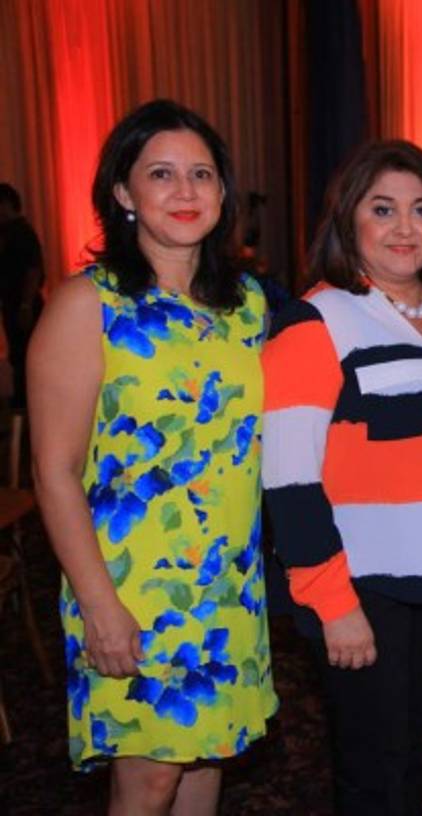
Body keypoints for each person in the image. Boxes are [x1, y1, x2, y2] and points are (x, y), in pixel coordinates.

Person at [28, 99, 277, 812]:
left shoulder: (249, 305)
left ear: (224, 193)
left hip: (227, 582)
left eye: (202, 174)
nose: (186, 191)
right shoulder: (88, 305)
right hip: (129, 585)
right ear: (122, 192)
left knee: (206, 762)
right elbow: (52, 471)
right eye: (161, 173)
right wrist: (100, 606)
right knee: (148, 780)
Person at [261, 139, 422, 815]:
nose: (405, 228)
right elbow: (290, 484)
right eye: (383, 209)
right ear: (347, 220)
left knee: (409, 747)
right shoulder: (316, 323)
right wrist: (335, 607)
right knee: (372, 767)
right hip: (361, 591)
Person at [0, 182, 45, 408]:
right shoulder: (9, 233)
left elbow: (33, 270)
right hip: (14, 303)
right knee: (19, 355)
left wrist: (26, 305)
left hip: (24, 304)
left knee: (26, 355)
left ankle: (27, 406)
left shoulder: (22, 233)